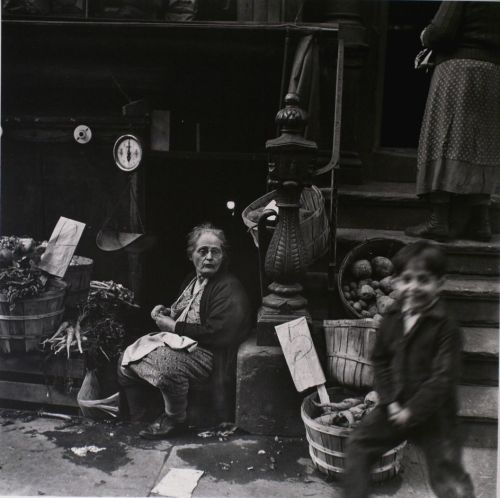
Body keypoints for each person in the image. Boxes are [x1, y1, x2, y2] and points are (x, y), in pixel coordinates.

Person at [343, 240, 475, 498]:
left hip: (435, 416)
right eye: (407, 279)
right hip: (395, 406)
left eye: (423, 280)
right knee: (359, 444)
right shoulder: (392, 316)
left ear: (440, 283)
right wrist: (390, 401)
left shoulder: (446, 328)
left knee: (448, 476)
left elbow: (442, 379)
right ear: (396, 282)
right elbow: (380, 360)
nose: (414, 287)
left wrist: (411, 411)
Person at [117, 223, 253, 439]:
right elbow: (188, 309)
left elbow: (218, 333)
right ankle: (139, 417)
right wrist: (168, 312)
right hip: (185, 343)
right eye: (202, 251)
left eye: (215, 252)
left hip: (210, 354)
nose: (208, 257)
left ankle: (175, 419)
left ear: (223, 256)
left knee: (164, 368)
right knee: (127, 357)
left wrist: (174, 326)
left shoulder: (229, 287)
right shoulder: (192, 279)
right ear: (191, 255)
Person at [406, 1, 500, 242]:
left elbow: (441, 33)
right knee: (484, 142)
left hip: (458, 70)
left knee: (443, 137)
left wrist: (425, 34)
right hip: (493, 73)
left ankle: (439, 220)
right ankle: (481, 221)